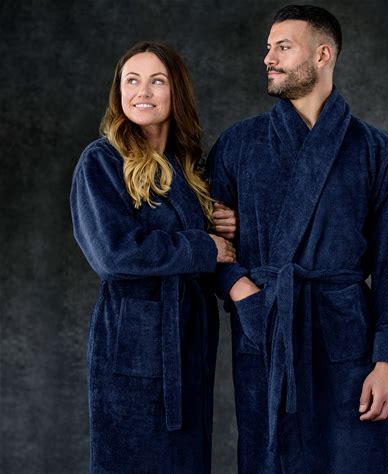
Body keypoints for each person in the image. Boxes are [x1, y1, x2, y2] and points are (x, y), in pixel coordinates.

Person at [207, 5, 388, 473]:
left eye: (283, 47)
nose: (268, 58)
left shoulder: (376, 150)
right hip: (268, 326)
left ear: (322, 55)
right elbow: (205, 240)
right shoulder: (238, 144)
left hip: (347, 338)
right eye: (268, 48)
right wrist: (241, 291)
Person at [70, 41, 237, 473]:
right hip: (133, 342)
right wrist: (204, 247)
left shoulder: (187, 166)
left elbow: (214, 243)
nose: (142, 91)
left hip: (190, 340)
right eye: (131, 80)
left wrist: (225, 225)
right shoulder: (102, 161)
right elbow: (114, 253)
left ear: (175, 91)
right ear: (119, 92)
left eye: (156, 81)